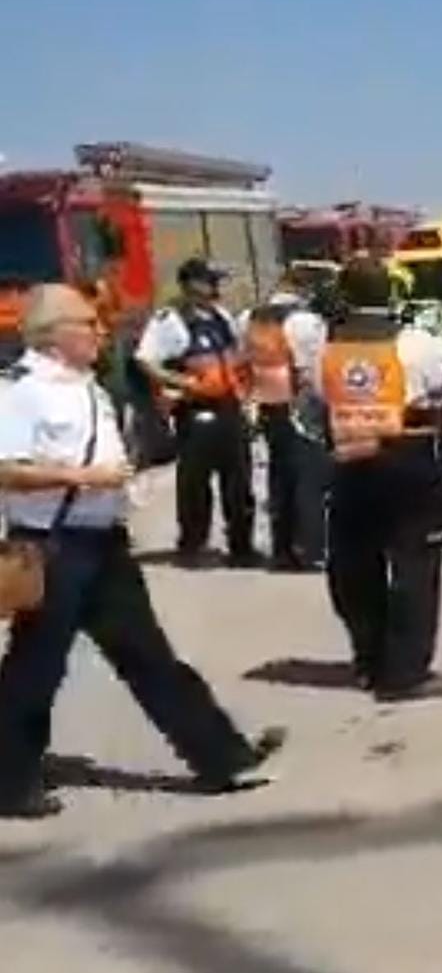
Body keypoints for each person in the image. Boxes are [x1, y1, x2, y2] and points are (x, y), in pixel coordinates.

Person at [0, 284, 284, 818]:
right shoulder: (20, 391)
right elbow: (5, 469)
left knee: (149, 655)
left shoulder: (86, 384)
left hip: (103, 542)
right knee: (35, 669)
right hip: (53, 547)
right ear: (53, 334)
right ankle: (9, 782)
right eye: (89, 323)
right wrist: (83, 476)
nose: (100, 332)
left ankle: (224, 758)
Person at [321, 259, 442, 702]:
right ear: (392, 295)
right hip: (407, 458)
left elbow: (313, 403)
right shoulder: (418, 344)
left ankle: (369, 659)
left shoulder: (328, 348)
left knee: (355, 566)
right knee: (414, 568)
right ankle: (405, 672)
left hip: (349, 459)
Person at [135, 258, 258, 568]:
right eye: (210, 281)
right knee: (195, 481)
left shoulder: (221, 316)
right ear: (192, 284)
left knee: (239, 480)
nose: (217, 287)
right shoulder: (170, 320)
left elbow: (235, 354)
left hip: (229, 407)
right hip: (196, 410)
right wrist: (185, 382)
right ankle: (193, 544)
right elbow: (146, 360)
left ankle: (241, 546)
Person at [242, 275, 329, 572]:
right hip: (299, 408)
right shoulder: (307, 322)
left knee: (279, 478)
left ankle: (282, 548)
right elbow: (309, 373)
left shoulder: (253, 317)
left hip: (268, 405)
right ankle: (309, 547)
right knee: (309, 478)